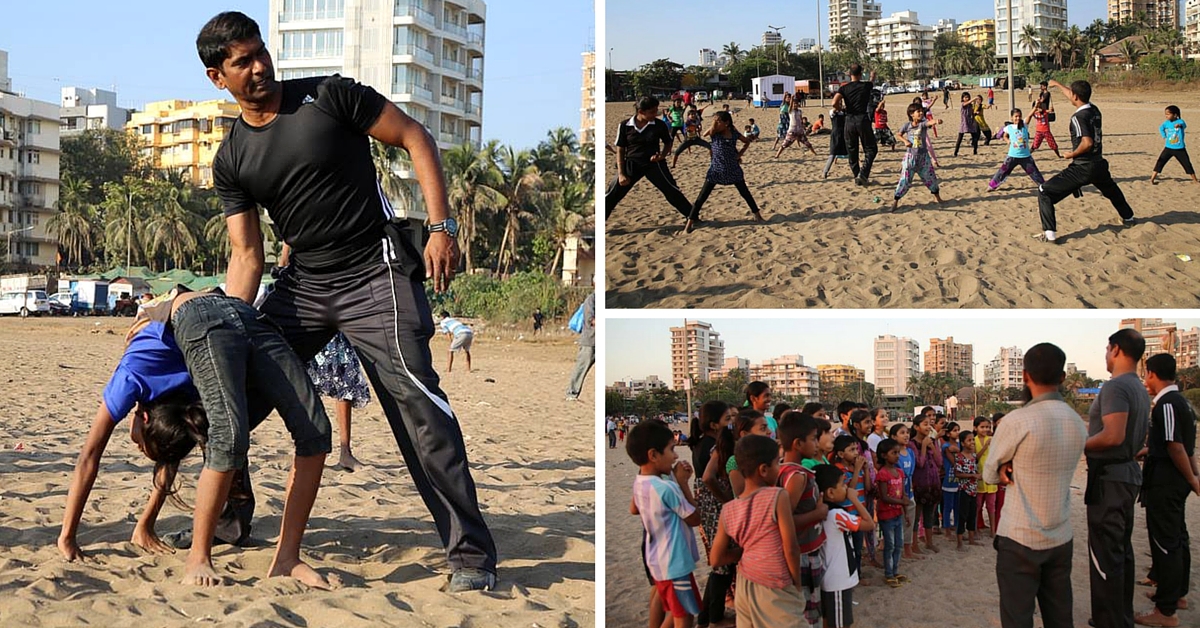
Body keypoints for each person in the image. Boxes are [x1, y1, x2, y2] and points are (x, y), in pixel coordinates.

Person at [197, 11, 496, 591]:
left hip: (374, 273)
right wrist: (230, 329)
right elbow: (247, 258)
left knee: (418, 404)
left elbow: (415, 136)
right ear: (218, 78)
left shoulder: (329, 97)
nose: (258, 66)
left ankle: (470, 556)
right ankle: (231, 520)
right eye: (242, 62)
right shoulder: (231, 157)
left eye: (260, 52)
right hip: (303, 287)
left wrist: (442, 228)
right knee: (232, 393)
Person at [58, 288, 334, 589]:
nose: (134, 442)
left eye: (138, 444)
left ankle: (207, 554)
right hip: (231, 317)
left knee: (228, 437)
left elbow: (89, 457)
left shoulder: (130, 378)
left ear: (145, 416)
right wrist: (145, 525)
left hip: (205, 317)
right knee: (279, 431)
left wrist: (67, 535)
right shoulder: (187, 394)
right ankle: (254, 546)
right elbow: (170, 455)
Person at [982, 343, 1088, 628]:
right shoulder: (1077, 422)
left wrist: (1006, 466)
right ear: (1063, 377)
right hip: (1061, 535)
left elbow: (990, 475)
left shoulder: (1017, 421)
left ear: (1025, 375)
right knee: (1059, 615)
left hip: (1020, 536)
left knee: (1017, 617)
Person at [1086, 328, 1151, 628]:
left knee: (1106, 555)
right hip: (1126, 475)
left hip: (1110, 478)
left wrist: (1078, 443)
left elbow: (1113, 436)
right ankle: (1120, 616)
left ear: (1115, 349)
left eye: (1106, 349)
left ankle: (1109, 620)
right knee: (1121, 552)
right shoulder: (1138, 387)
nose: (1105, 355)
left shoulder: (1115, 387)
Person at [710, 435, 806, 628]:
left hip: (745, 584)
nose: (779, 469)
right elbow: (791, 548)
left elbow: (716, 559)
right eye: (777, 464)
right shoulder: (777, 495)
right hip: (774, 582)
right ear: (763, 469)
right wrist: (796, 581)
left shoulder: (728, 509)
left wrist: (746, 552)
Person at [1137, 354, 1200, 627]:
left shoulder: (1166, 404)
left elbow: (1176, 447)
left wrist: (1193, 480)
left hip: (1166, 482)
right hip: (1174, 479)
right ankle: (1175, 595)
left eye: (1146, 375)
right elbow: (1183, 446)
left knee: (1165, 543)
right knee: (1178, 537)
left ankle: (1166, 611)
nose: (1145, 381)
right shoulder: (1184, 403)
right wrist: (1193, 476)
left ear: (1151, 373)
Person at [1035, 79, 1135, 245]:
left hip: (1083, 166)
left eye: (1071, 93)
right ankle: (1129, 217)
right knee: (1112, 191)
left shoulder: (1078, 117)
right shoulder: (1094, 110)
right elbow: (1074, 94)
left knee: (1044, 191)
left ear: (1075, 96)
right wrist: (1058, 85)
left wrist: (1072, 154)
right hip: (1099, 164)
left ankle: (1050, 234)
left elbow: (1087, 142)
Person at [628, 419, 703, 628]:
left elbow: (633, 509)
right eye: (671, 449)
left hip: (658, 560)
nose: (676, 455)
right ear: (653, 455)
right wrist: (682, 484)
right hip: (674, 562)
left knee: (674, 610)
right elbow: (695, 518)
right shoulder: (665, 488)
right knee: (684, 616)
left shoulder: (640, 482)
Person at [605, 97, 696, 223]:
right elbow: (620, 149)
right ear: (641, 111)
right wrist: (621, 174)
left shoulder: (659, 125)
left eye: (656, 110)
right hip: (632, 164)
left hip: (654, 164)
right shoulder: (625, 125)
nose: (655, 114)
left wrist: (662, 155)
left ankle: (692, 217)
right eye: (652, 112)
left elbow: (668, 143)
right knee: (612, 193)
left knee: (671, 190)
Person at [779, 411, 831, 628]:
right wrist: (818, 514)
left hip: (807, 548)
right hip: (804, 552)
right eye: (813, 439)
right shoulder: (797, 476)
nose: (816, 443)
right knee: (808, 611)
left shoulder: (784, 470)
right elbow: (785, 521)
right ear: (798, 444)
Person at [690, 401, 735, 628]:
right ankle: (712, 616)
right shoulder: (711, 445)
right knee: (722, 565)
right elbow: (709, 478)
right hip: (714, 507)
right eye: (727, 419)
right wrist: (727, 500)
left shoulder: (701, 443)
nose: (730, 424)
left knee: (721, 565)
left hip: (709, 505)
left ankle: (707, 616)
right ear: (714, 424)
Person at [814, 464, 874, 628]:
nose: (846, 487)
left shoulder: (821, 511)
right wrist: (854, 498)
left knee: (828, 620)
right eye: (842, 484)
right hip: (838, 580)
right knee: (840, 623)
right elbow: (869, 524)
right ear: (830, 492)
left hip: (827, 577)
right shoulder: (836, 515)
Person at [685, 111, 764, 233]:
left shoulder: (734, 133)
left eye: (718, 121)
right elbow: (706, 134)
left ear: (726, 123)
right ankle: (689, 224)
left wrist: (739, 154)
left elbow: (747, 142)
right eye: (715, 121)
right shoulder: (714, 133)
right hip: (716, 170)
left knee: (745, 193)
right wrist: (714, 122)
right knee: (701, 197)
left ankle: (758, 216)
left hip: (733, 169)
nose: (715, 123)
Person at [305, 332, 371, 471]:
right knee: (305, 385)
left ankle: (345, 453)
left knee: (345, 380)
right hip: (307, 326)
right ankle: (307, 455)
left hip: (336, 327)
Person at [830, 64, 879, 187]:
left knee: (852, 151)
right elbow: (872, 81)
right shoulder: (866, 86)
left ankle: (857, 175)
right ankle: (863, 174)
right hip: (862, 119)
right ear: (861, 73)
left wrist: (840, 108)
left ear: (848, 74)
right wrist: (873, 75)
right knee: (871, 149)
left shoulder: (844, 88)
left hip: (849, 120)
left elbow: (834, 102)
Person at [891, 103, 945, 212]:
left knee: (931, 178)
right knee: (905, 180)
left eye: (921, 111)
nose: (921, 113)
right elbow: (899, 134)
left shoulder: (923, 124)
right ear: (911, 114)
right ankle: (896, 201)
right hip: (910, 157)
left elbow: (930, 122)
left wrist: (936, 121)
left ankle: (938, 198)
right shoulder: (907, 126)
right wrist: (905, 141)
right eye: (918, 111)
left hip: (924, 158)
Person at [832, 434, 873, 580]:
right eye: (852, 449)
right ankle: (850, 575)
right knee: (849, 548)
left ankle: (858, 574)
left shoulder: (858, 467)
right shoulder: (840, 470)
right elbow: (850, 491)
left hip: (858, 513)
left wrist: (865, 470)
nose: (856, 452)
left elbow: (867, 487)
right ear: (841, 454)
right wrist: (856, 470)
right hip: (847, 513)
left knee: (858, 547)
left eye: (856, 449)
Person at [874, 438, 908, 588]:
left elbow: (903, 495)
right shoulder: (882, 474)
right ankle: (888, 573)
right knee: (890, 545)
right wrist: (902, 503)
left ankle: (895, 571)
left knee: (898, 544)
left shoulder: (899, 472)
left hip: (897, 513)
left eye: (898, 452)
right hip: (886, 514)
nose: (897, 456)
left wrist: (905, 511)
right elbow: (884, 496)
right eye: (893, 453)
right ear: (884, 455)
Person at [907, 413, 942, 555]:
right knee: (916, 516)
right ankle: (914, 544)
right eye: (925, 424)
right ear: (916, 427)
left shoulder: (931, 441)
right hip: (919, 484)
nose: (928, 427)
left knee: (929, 515)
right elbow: (919, 463)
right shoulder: (912, 444)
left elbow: (939, 462)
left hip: (932, 483)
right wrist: (924, 447)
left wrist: (932, 446)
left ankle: (929, 542)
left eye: (929, 424)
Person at [988, 108, 1045, 192]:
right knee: (1003, 171)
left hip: (1025, 156)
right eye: (1016, 116)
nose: (1018, 118)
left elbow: (1029, 115)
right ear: (1012, 118)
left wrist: (1035, 107)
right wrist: (1007, 140)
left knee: (1034, 172)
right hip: (1012, 156)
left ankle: (1043, 186)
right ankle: (992, 185)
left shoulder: (1024, 125)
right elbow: (1004, 135)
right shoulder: (1009, 127)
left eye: (1019, 116)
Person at [1151, 105, 1198, 185]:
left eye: (1168, 114)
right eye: (1165, 114)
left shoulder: (1180, 121)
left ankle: (1195, 180)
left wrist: (1179, 125)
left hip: (1180, 148)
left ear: (1175, 115)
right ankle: (1152, 179)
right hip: (1168, 148)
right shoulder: (1166, 123)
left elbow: (1183, 125)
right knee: (1160, 162)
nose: (1166, 116)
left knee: (1187, 164)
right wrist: (1164, 135)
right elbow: (1161, 128)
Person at [954, 431, 982, 550]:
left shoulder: (974, 456)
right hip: (963, 490)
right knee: (962, 515)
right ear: (962, 443)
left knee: (972, 514)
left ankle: (971, 539)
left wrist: (976, 475)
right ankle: (959, 542)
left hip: (973, 490)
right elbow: (957, 474)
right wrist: (972, 476)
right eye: (969, 440)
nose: (972, 442)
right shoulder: (959, 457)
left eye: (972, 440)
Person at [566, 290, 595, 401]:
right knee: (581, 368)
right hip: (590, 341)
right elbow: (590, 320)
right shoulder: (591, 299)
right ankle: (571, 393)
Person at [974, 416, 999, 534]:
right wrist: (985, 447)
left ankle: (993, 530)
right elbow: (975, 458)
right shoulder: (973, 440)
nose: (985, 429)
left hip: (991, 477)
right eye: (982, 427)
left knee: (991, 506)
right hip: (979, 477)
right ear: (976, 428)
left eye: (987, 427)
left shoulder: (993, 439)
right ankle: (975, 528)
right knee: (978, 505)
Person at [775, 93, 819, 159]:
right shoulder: (790, 111)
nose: (795, 105)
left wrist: (803, 126)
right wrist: (792, 99)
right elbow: (790, 106)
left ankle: (814, 153)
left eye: (796, 104)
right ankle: (777, 155)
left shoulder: (799, 111)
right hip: (792, 131)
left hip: (799, 131)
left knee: (807, 143)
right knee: (785, 144)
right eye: (794, 104)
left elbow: (801, 119)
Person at [940, 422, 961, 540]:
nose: (957, 432)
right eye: (954, 430)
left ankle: (957, 528)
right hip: (949, 480)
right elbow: (954, 462)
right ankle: (947, 530)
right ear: (948, 433)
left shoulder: (958, 445)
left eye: (958, 430)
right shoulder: (946, 446)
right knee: (948, 507)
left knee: (957, 506)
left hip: (958, 480)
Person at [822, 106, 851, 180]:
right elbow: (834, 110)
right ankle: (825, 172)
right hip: (835, 135)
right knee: (833, 154)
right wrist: (838, 107)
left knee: (850, 153)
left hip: (844, 134)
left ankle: (857, 171)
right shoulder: (832, 112)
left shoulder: (843, 113)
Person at [954, 92, 980, 157]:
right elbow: (966, 103)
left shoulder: (970, 105)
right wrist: (974, 99)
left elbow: (971, 113)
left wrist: (975, 113)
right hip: (964, 123)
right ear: (962, 98)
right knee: (960, 138)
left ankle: (975, 151)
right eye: (965, 97)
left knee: (975, 137)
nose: (967, 98)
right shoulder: (963, 104)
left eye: (968, 97)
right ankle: (955, 152)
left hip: (970, 122)